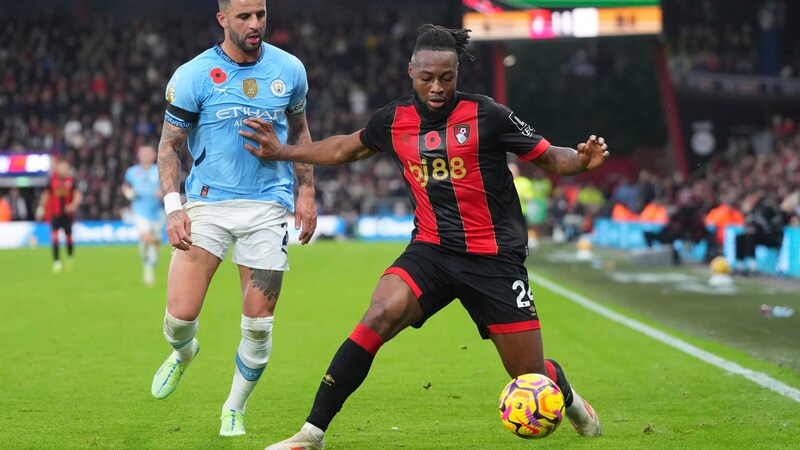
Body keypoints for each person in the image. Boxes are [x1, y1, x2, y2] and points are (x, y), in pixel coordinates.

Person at [241, 25, 606, 449]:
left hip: (493, 258)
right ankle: (311, 433)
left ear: (457, 74)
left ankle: (565, 391)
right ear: (410, 71)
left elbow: (551, 158)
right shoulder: (394, 120)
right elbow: (343, 149)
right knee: (378, 314)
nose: (436, 87)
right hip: (431, 250)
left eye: (446, 78)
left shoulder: (488, 115)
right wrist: (282, 150)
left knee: (530, 378)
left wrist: (581, 161)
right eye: (427, 77)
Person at [151, 0, 317, 437]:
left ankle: (234, 407)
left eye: (260, 14)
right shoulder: (194, 75)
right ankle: (184, 353)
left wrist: (307, 191)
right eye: (244, 17)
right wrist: (173, 208)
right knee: (180, 317)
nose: (255, 24)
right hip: (207, 204)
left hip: (267, 207)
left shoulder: (290, 70)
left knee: (259, 324)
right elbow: (169, 146)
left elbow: (299, 133)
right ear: (223, 19)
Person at [122, 144, 164, 286]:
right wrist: (128, 193)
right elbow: (125, 186)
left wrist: (162, 193)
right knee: (146, 236)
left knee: (155, 242)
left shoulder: (159, 170)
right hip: (139, 210)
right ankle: (147, 269)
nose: (146, 156)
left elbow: (169, 186)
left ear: (154, 155)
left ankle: (150, 265)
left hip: (157, 211)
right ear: (139, 155)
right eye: (143, 153)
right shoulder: (132, 172)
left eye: (149, 153)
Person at [36, 159, 82, 273]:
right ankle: (56, 262)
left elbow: (77, 195)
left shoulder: (71, 180)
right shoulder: (52, 180)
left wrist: (73, 205)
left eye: (64, 167)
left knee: (69, 238)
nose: (62, 169)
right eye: (60, 167)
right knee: (55, 238)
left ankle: (70, 258)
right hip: (55, 214)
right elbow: (46, 195)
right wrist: (41, 208)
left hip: (67, 215)